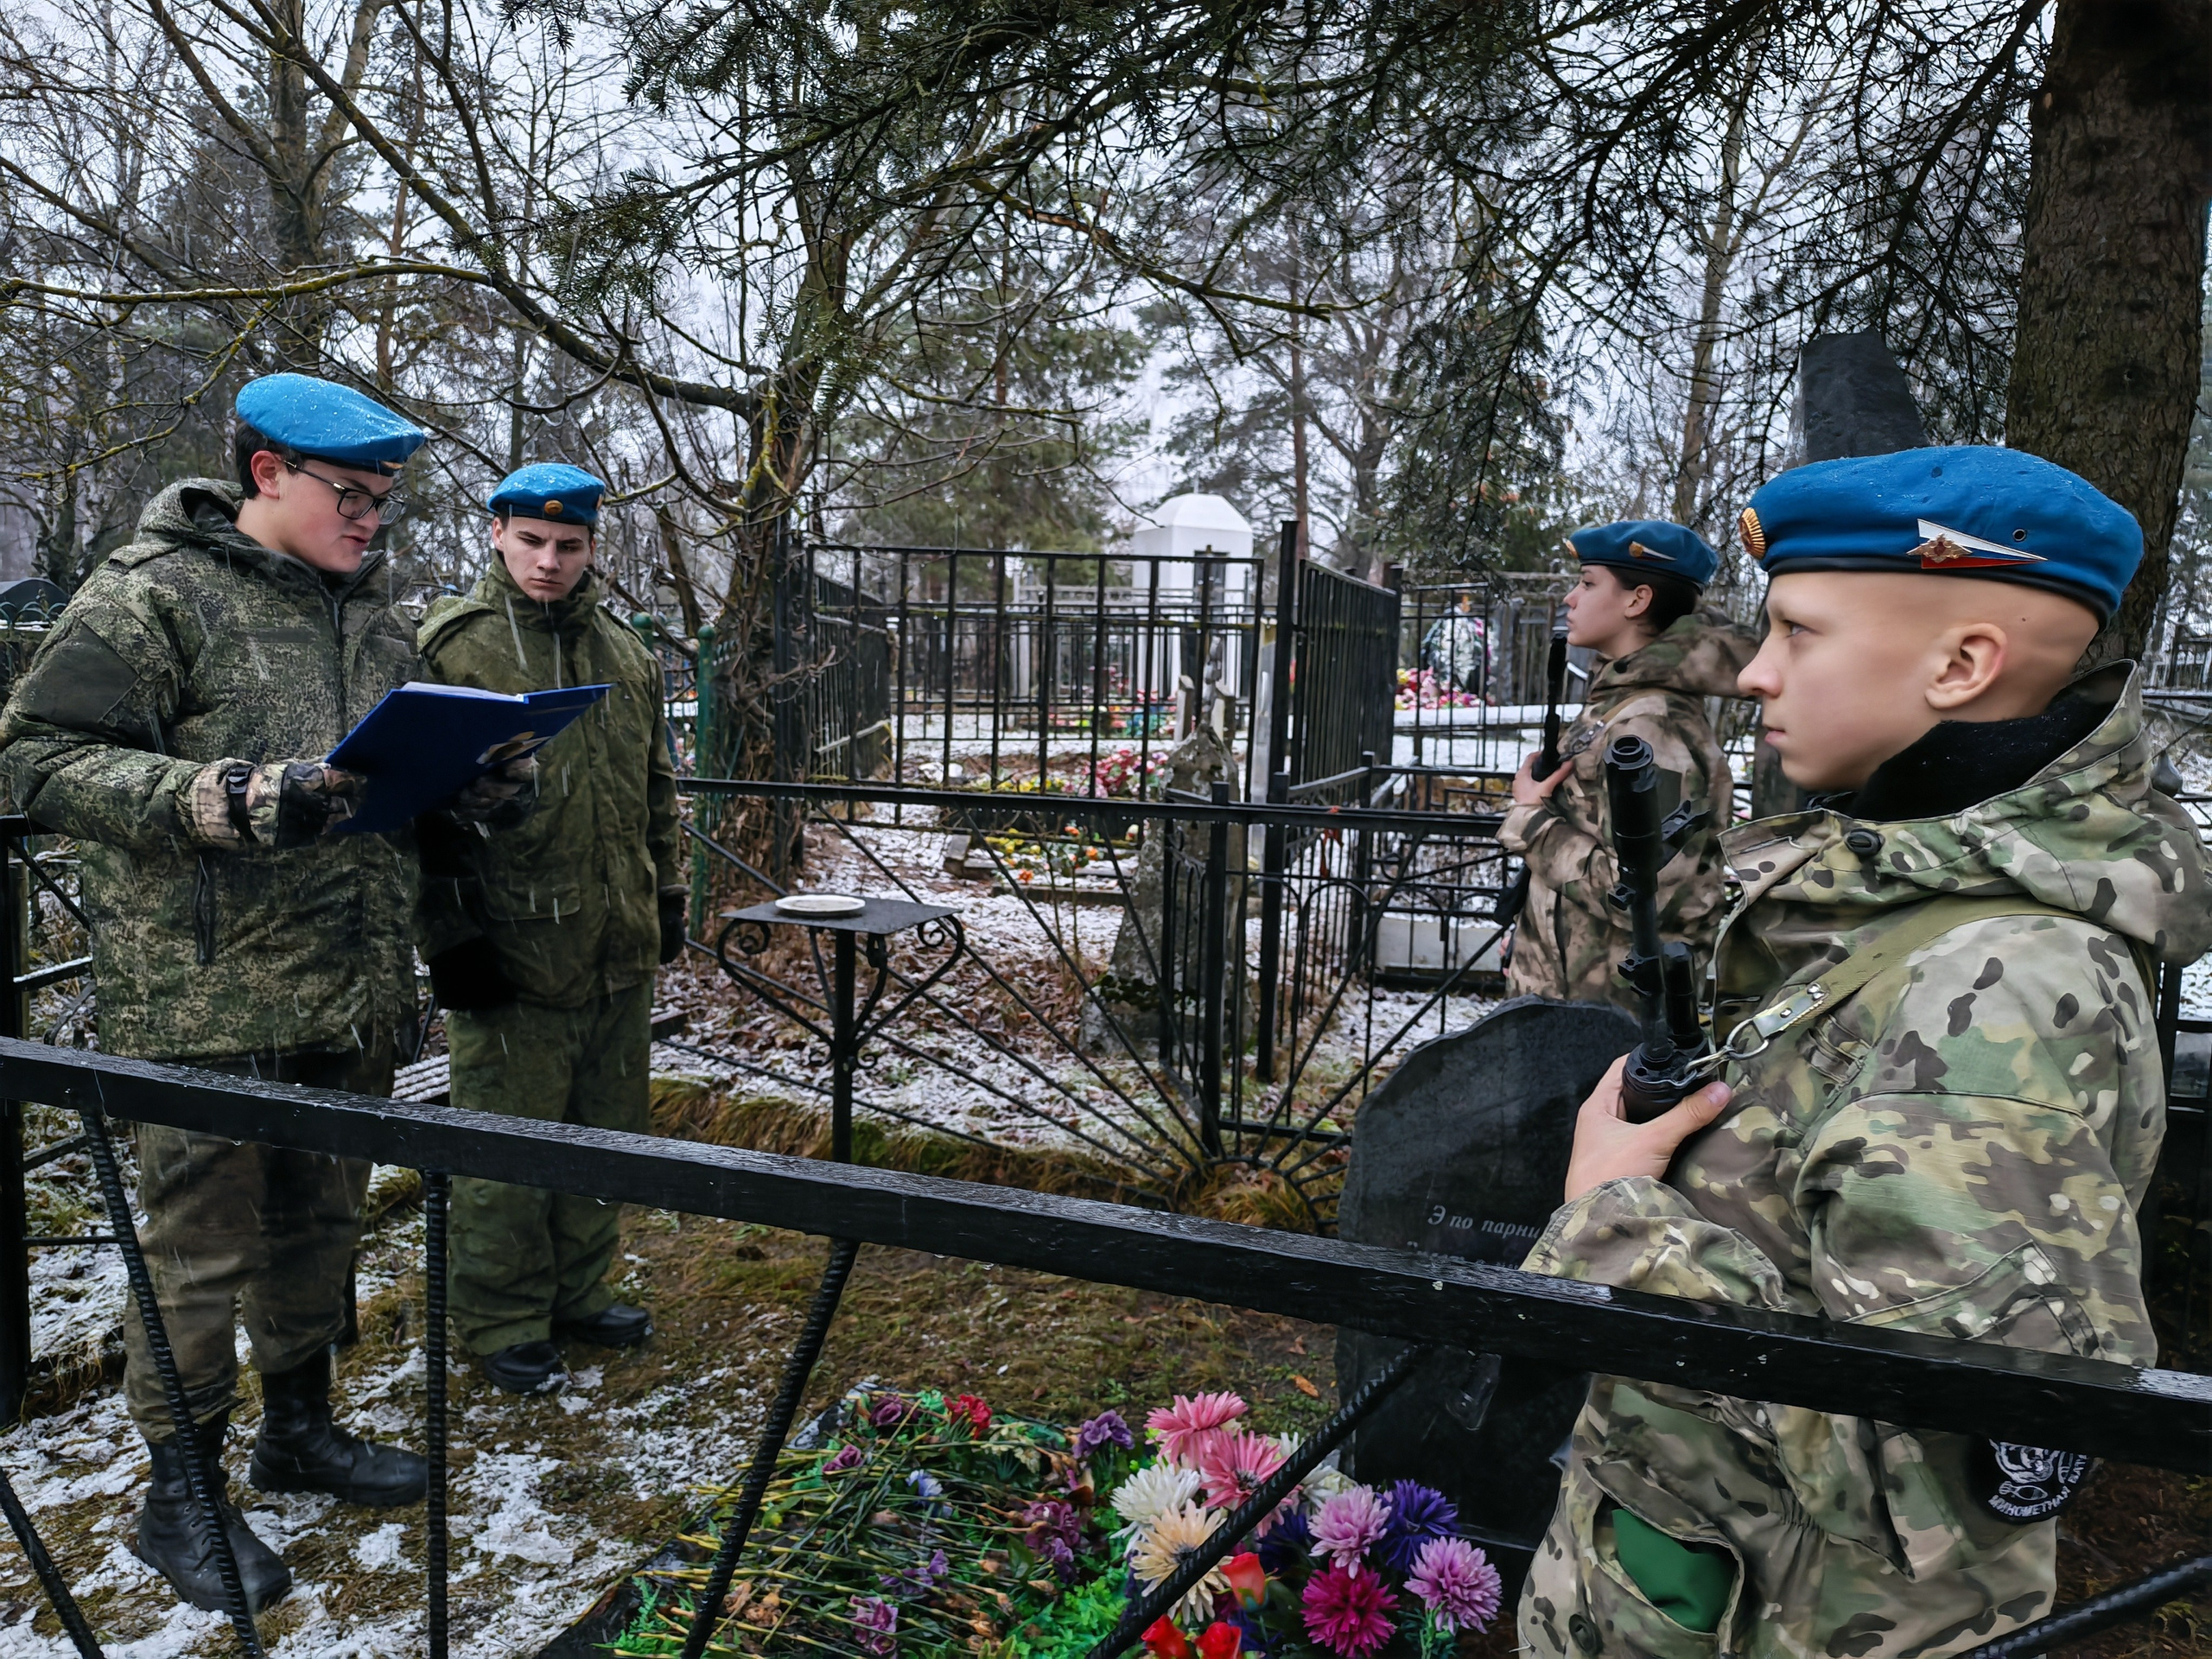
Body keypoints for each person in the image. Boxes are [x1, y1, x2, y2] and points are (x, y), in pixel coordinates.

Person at [1516, 447, 2212, 1658]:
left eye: (1799, 632)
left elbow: (1920, 1481)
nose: (1759, 674)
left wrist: (1615, 1211)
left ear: (1961, 664)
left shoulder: (2000, 994)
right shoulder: (1901, 903)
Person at [0, 374, 525, 1613]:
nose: (373, 521)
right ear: (265, 471)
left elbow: (392, 783)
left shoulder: (378, 623)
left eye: (386, 501)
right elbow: (37, 754)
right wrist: (213, 796)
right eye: (352, 494)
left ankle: (299, 1427)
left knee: (320, 1226)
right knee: (194, 1259)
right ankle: (177, 1493)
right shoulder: (153, 595)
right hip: (203, 1001)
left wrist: (485, 785)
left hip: (346, 990)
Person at [416, 462, 683, 1395]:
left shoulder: (624, 648)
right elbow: (421, 811)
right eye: (532, 541)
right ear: (496, 533)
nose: (549, 561)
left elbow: (656, 788)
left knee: (603, 1133)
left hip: (615, 940)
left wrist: (668, 898)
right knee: (508, 1145)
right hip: (514, 949)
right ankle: (500, 1316)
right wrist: (451, 938)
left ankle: (580, 1289)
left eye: (569, 546)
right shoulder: (455, 648)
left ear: (592, 550)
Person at [1497, 522, 1756, 1013]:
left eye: (1588, 583)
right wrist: (1529, 940)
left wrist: (1530, 822)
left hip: (1611, 1024)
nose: (1571, 599)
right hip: (1569, 1003)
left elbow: (1648, 895)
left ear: (1637, 600)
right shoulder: (1618, 703)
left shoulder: (1654, 726)